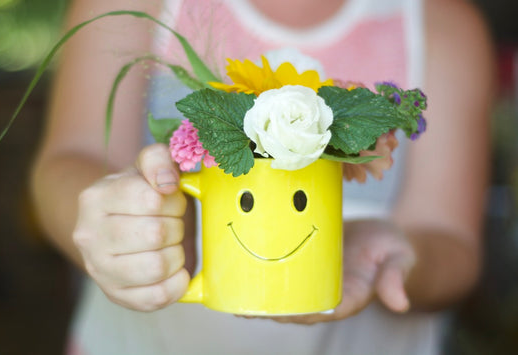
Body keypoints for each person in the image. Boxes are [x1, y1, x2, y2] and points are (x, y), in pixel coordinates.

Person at [30, 0, 494, 353]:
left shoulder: (441, 24)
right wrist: (115, 223)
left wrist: (398, 261)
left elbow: (452, 242)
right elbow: (71, 158)